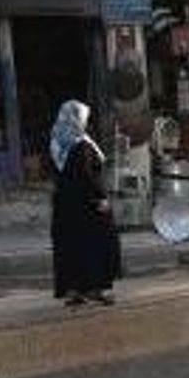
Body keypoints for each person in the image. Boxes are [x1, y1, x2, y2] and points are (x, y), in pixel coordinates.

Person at [50, 100, 121, 307]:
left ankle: (73, 291)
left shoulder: (57, 140)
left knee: (70, 246)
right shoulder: (81, 145)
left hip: (65, 205)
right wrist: (102, 198)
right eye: (84, 118)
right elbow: (87, 176)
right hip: (87, 204)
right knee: (97, 244)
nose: (87, 122)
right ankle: (95, 289)